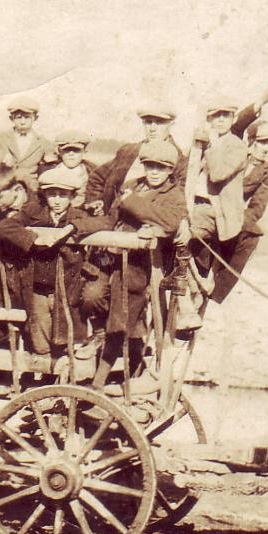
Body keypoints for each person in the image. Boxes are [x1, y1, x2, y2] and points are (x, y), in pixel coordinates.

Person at [84, 140, 185, 395]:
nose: (153, 172)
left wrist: (136, 207)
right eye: (149, 166)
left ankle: (99, 382)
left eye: (160, 168)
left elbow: (170, 222)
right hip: (110, 256)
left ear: (169, 171)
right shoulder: (132, 186)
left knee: (121, 317)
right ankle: (106, 341)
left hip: (139, 267)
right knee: (89, 296)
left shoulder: (173, 195)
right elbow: (112, 218)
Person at [0, 164, 105, 357]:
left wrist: (72, 228)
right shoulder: (33, 213)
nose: (57, 201)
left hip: (66, 286)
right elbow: (6, 226)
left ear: (72, 197)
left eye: (63, 195)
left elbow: (104, 221)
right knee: (40, 336)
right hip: (37, 285)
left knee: (66, 333)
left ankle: (64, 375)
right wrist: (34, 238)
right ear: (45, 195)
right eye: (52, 194)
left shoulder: (78, 216)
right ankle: (42, 372)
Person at [185, 119, 268, 307]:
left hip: (232, 213)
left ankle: (216, 288)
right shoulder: (235, 153)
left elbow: (258, 205)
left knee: (250, 234)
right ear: (251, 141)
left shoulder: (266, 171)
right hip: (208, 203)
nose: (266, 148)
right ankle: (197, 276)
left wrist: (238, 218)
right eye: (262, 142)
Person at [85, 103, 183, 215]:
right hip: (112, 221)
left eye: (159, 123)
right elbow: (97, 177)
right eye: (148, 122)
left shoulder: (181, 162)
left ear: (171, 124)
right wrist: (97, 201)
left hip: (147, 226)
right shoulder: (128, 151)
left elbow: (177, 208)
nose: (152, 128)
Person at [0, 98, 54, 184]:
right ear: (11, 118)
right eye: (18, 118)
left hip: (30, 186)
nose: (23, 122)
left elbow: (52, 163)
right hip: (6, 183)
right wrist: (0, 157)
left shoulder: (43, 142)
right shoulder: (1, 138)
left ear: (35, 118)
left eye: (27, 117)